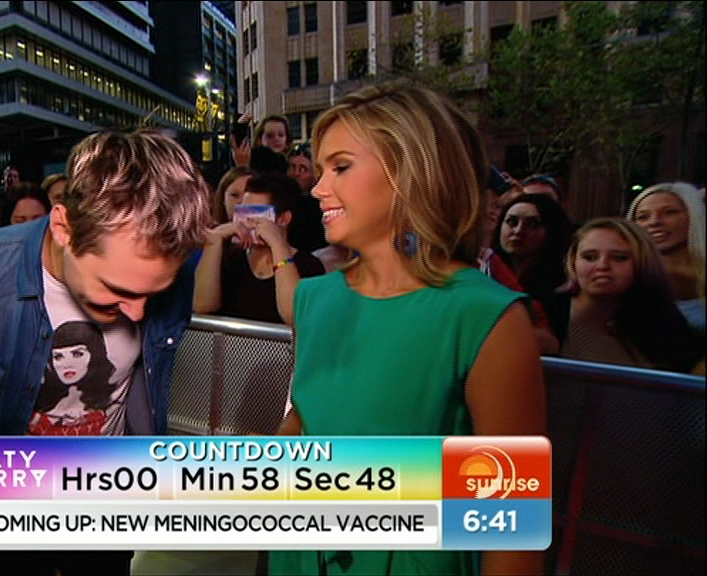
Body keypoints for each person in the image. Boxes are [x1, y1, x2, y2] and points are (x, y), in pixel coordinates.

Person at [0, 129, 213, 576]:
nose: (138, 311)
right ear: (64, 227)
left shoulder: (167, 264)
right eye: (117, 289)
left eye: (153, 292)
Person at [273, 82, 545, 576]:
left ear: (411, 171)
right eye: (320, 169)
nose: (317, 188)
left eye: (340, 167)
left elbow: (510, 523)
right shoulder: (313, 299)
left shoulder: (488, 316)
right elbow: (304, 425)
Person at [556, 217, 703, 373]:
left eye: (619, 258)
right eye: (590, 257)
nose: (602, 266)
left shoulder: (663, 320)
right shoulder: (551, 313)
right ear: (573, 261)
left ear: (643, 262)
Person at [195, 172, 325, 324]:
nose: (246, 222)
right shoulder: (230, 258)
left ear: (283, 219)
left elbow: (294, 316)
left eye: (256, 214)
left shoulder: (308, 266)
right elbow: (202, 306)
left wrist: (277, 245)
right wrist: (213, 243)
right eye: (242, 212)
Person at [490, 193, 574, 340]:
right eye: (511, 222)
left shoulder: (562, 289)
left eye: (533, 224)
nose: (518, 231)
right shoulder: (483, 271)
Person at [626, 182, 705, 335]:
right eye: (643, 217)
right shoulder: (628, 276)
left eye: (670, 212)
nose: (654, 222)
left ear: (694, 216)